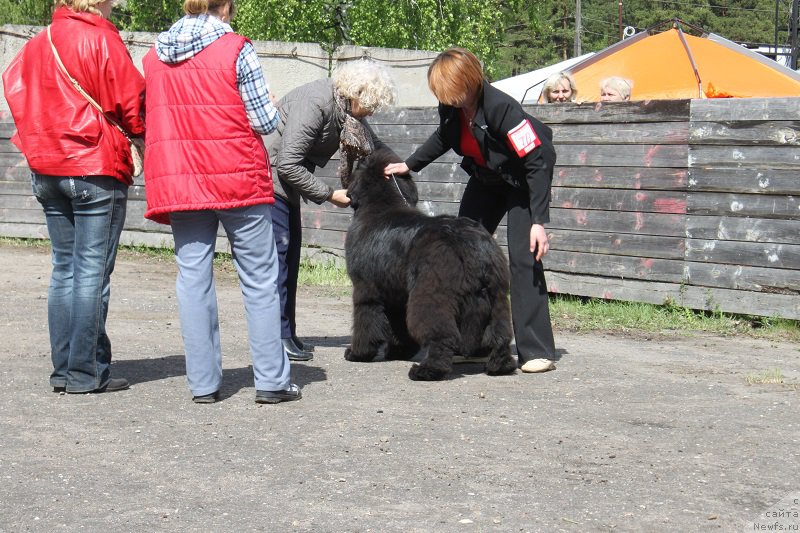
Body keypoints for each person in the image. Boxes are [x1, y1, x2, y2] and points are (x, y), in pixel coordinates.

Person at [143, 0, 299, 404]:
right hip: (237, 179)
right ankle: (271, 382)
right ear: (226, 6)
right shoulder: (236, 48)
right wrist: (267, 99)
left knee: (193, 280)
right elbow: (265, 122)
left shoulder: (154, 57)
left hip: (182, 181)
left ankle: (203, 385)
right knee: (260, 280)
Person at [384, 47, 557, 373]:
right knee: (460, 253)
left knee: (523, 258)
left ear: (471, 80)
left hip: (521, 184)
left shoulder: (502, 108)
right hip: (486, 179)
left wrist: (538, 221)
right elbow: (443, 138)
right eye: (442, 94)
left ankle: (536, 350)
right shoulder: (451, 108)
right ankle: (474, 345)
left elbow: (538, 161)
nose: (448, 99)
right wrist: (408, 165)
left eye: (452, 91)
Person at [3, 0, 145, 394]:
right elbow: (132, 103)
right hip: (93, 165)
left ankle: (64, 371)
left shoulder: (40, 40)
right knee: (91, 273)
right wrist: (142, 136)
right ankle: (86, 373)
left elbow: (15, 87)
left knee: (64, 269)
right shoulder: (101, 38)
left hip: (48, 167)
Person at [267, 60, 396, 360]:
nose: (373, 112)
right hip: (266, 178)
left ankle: (288, 335)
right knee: (280, 262)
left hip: (283, 184)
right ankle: (276, 340)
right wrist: (328, 195)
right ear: (357, 94)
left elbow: (374, 146)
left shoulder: (345, 111)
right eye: (372, 104)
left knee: (290, 259)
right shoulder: (316, 103)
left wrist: (401, 169)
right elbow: (287, 163)